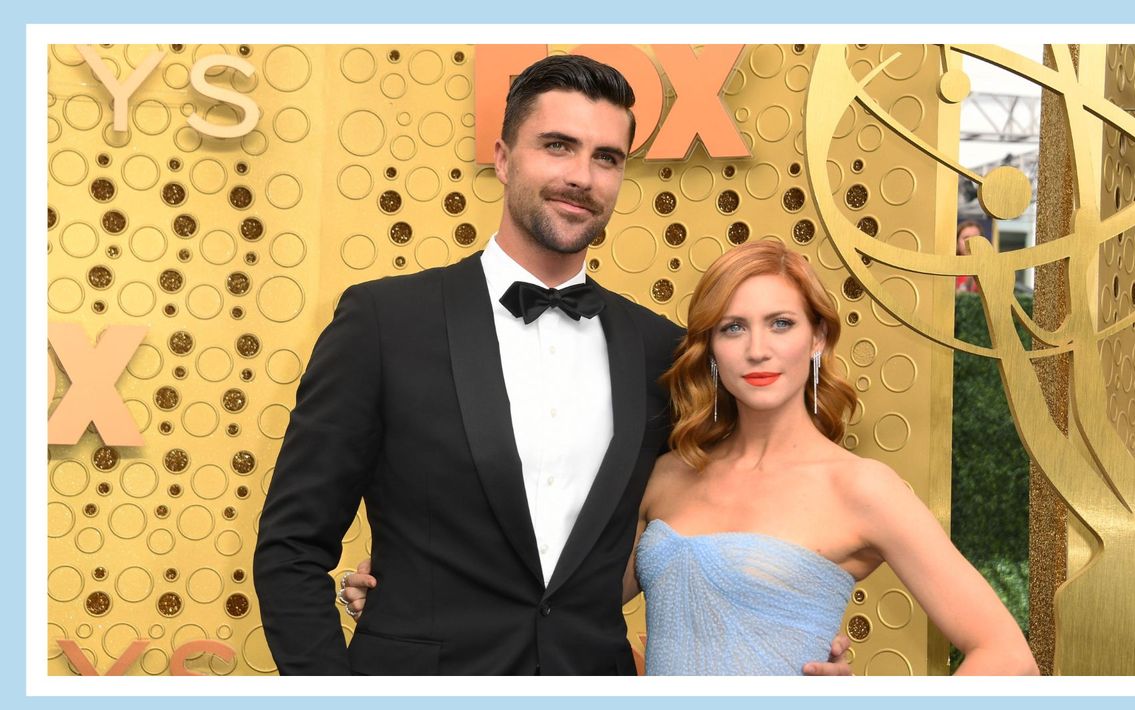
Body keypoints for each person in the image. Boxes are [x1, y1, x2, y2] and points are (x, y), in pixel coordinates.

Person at [253, 54, 851, 676]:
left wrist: (794, 630)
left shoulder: (665, 353)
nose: (582, 177)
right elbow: (291, 548)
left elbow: (739, 503)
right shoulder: (385, 323)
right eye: (558, 146)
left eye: (607, 158)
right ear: (505, 157)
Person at [344, 240, 1039, 676]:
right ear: (708, 347)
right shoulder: (670, 473)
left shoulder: (862, 489)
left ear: (818, 339)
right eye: (733, 328)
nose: (758, 350)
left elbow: (1007, 656)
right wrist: (411, 586)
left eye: (781, 324)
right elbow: (557, 601)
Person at [955, 219, 982, 293]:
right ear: (957, 242)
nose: (970, 242)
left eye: (975, 238)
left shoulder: (990, 269)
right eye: (966, 237)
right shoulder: (948, 269)